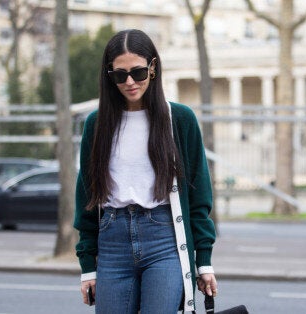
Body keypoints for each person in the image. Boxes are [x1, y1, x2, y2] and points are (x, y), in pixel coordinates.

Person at [73, 29, 217, 314]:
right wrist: (88, 266)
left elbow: (198, 196)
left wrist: (204, 261)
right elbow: (87, 197)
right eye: (119, 74)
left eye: (137, 72)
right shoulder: (97, 124)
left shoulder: (179, 119)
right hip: (112, 242)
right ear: (109, 75)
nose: (129, 82)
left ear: (153, 68)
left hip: (164, 240)